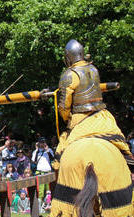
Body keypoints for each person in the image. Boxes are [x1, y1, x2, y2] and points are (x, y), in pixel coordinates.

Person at [53, 39, 132, 169]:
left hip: (80, 117)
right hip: (102, 115)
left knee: (61, 154)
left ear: (68, 56)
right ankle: (129, 163)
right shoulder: (94, 69)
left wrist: (66, 118)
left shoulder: (69, 74)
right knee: (119, 141)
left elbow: (64, 106)